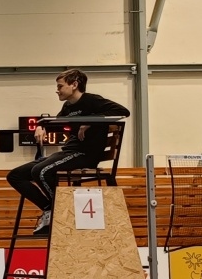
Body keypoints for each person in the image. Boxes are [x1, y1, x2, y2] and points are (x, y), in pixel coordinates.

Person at [7, 68, 129, 235]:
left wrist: (90, 122)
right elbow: (55, 122)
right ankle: (50, 208)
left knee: (41, 171)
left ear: (74, 85)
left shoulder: (92, 100)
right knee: (15, 175)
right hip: (68, 152)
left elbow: (123, 111)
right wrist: (41, 126)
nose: (57, 90)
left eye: (60, 86)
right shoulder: (68, 106)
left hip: (85, 155)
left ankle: (60, 212)